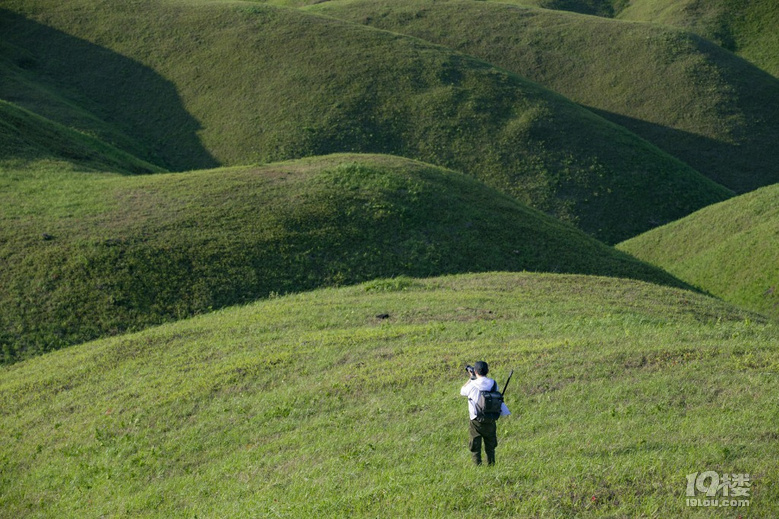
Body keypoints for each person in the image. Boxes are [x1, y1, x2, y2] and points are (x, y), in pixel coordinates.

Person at [460, 360, 510, 465]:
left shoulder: (472, 385)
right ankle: (491, 464)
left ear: (475, 371)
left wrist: (470, 378)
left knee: (475, 446)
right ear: (487, 371)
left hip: (476, 419)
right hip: (491, 417)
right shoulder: (493, 383)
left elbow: (462, 391)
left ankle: (477, 465)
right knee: (490, 445)